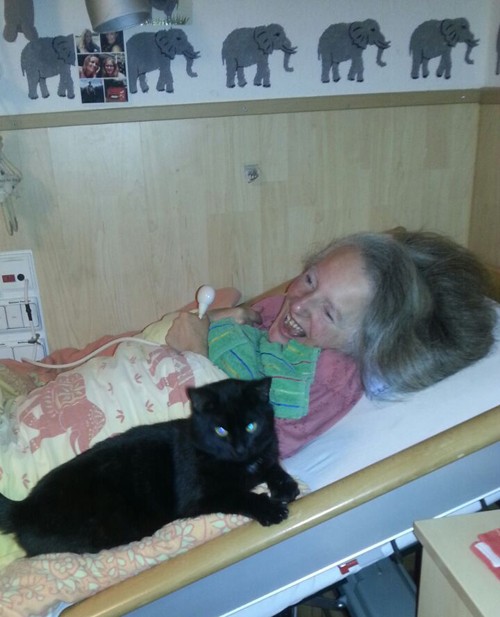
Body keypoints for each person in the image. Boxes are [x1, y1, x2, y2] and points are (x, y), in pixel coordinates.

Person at [166, 229, 497, 456]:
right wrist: (228, 316)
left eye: (329, 313)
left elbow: (252, 448)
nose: (300, 304)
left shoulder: (325, 379)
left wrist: (197, 356)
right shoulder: (285, 312)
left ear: (362, 344)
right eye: (311, 279)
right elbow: (234, 329)